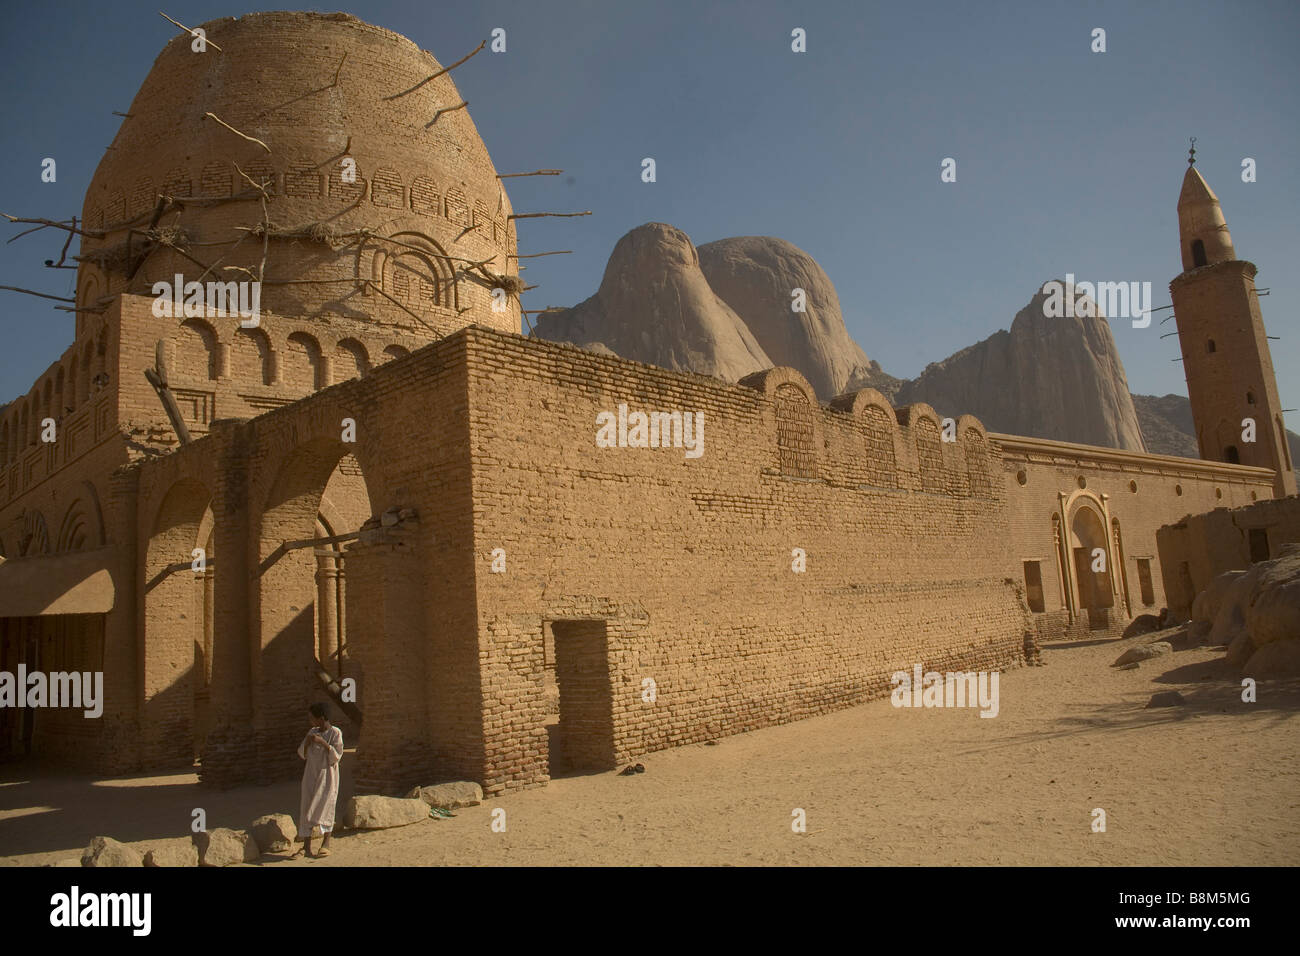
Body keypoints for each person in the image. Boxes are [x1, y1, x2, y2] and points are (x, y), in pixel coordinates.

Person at [296, 701, 343, 858]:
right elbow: (302, 753)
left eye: (312, 718)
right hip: (310, 774)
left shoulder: (335, 733)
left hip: (327, 776)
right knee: (306, 806)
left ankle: (325, 843)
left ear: (321, 718)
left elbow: (336, 756)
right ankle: (306, 846)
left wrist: (324, 744)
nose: (310, 721)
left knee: (326, 806)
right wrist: (308, 743)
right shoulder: (312, 731)